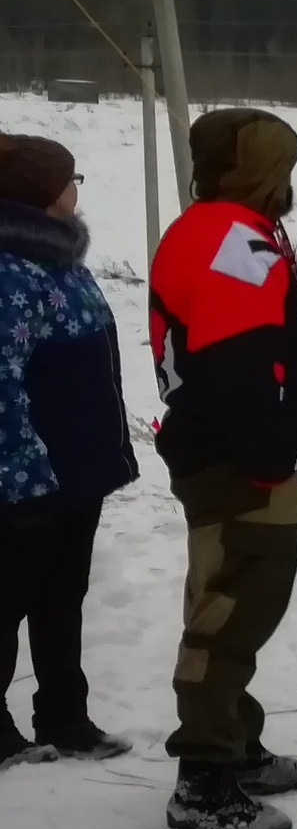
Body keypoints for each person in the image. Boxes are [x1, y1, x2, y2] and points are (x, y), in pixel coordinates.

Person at [147, 108, 297, 829]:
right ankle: (205, 779)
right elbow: (239, 367)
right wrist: (271, 457)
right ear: (257, 172)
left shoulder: (229, 231)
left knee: (243, 609)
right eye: (282, 169)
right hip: (239, 463)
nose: (290, 184)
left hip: (243, 456)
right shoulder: (228, 240)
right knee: (226, 616)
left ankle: (236, 745)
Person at [0, 135, 139, 769]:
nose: (76, 186)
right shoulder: (8, 270)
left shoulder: (60, 260)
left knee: (61, 597)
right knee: (7, 602)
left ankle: (66, 715)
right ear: (38, 191)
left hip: (75, 471)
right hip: (25, 477)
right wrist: (23, 471)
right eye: (68, 176)